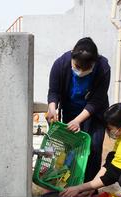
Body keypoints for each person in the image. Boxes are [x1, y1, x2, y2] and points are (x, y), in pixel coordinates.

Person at [47, 37, 111, 182]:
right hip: (70, 111)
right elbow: (54, 91)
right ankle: (68, 182)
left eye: (86, 68)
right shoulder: (60, 64)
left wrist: (78, 120)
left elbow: (97, 100)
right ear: (72, 56)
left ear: (94, 62)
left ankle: (88, 189)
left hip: (94, 114)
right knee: (70, 148)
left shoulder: (103, 67)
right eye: (77, 66)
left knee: (93, 148)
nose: (80, 71)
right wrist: (52, 109)